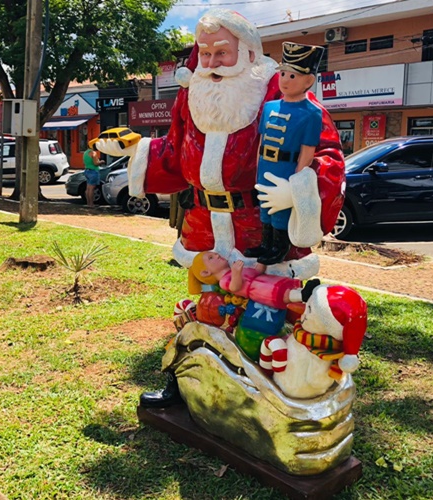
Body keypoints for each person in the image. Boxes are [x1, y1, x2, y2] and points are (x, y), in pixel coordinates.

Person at [95, 8, 345, 407]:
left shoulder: (281, 93)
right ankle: (193, 385)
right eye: (204, 54)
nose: (210, 64)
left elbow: (327, 153)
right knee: (204, 307)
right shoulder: (191, 94)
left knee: (264, 313)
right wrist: (136, 149)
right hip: (206, 227)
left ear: (247, 53)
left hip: (261, 226)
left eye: (221, 53)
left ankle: (262, 398)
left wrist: (298, 189)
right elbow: (177, 157)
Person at [245, 42, 327, 265]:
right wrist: (256, 171)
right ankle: (265, 244)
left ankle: (279, 248)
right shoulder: (270, 107)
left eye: (293, 76)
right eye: (283, 74)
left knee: (280, 210)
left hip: (286, 169)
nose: (285, 80)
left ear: (308, 80)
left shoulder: (312, 113)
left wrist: (295, 184)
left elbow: (307, 152)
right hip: (266, 165)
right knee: (265, 208)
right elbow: (261, 141)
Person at [188, 251, 305, 308]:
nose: (217, 255)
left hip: (266, 280)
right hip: (261, 290)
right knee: (282, 293)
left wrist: (262, 260)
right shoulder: (224, 281)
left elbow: (257, 271)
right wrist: (236, 273)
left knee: (285, 285)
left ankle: (303, 294)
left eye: (214, 254)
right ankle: (302, 295)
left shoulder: (234, 269)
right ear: (206, 272)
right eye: (211, 257)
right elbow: (235, 287)